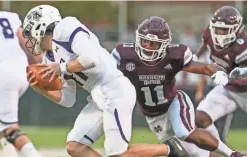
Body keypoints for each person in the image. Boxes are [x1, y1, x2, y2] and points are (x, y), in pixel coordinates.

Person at [24, 5, 189, 157]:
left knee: (118, 154)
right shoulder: (49, 58)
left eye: (30, 33)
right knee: (75, 146)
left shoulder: (65, 28)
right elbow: (68, 99)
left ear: (40, 27)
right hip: (99, 98)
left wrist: (62, 68)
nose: (31, 40)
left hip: (115, 91)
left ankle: (171, 148)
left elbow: (91, 58)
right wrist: (40, 88)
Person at [111, 16, 246, 157]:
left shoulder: (173, 56)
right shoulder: (124, 55)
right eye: (144, 41)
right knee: (193, 153)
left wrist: (219, 72)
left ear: (163, 45)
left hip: (173, 103)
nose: (147, 46)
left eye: (153, 43)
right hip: (153, 116)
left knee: (185, 132)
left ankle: (233, 154)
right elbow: (104, 72)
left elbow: (206, 67)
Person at [194, 6, 247, 152]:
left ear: (237, 29)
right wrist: (193, 59)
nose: (220, 33)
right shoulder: (209, 33)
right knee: (201, 117)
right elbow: (202, 49)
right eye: (218, 28)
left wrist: (235, 74)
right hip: (227, 88)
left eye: (224, 29)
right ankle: (225, 152)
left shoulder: (243, 44)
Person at [0, 10, 42, 157]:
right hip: (22, 70)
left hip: (2, 73)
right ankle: (7, 148)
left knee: (11, 130)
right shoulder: (8, 16)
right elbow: (26, 40)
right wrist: (41, 61)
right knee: (2, 123)